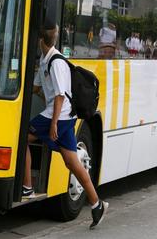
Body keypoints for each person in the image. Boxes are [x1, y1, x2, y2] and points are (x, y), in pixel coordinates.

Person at [23, 24, 108, 229]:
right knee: (72, 162)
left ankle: (27, 187)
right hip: (62, 117)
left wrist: (52, 124)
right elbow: (36, 88)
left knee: (22, 139)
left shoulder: (56, 62)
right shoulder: (44, 61)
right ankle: (97, 205)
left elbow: (61, 96)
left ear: (41, 41)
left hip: (59, 117)